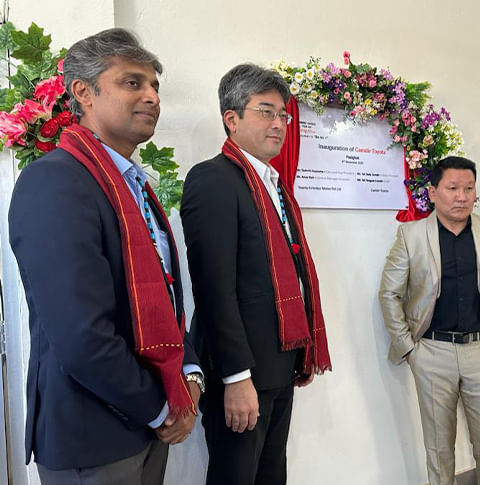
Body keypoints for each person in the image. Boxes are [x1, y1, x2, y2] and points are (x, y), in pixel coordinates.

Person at [8, 28, 203, 485]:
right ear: (83, 92)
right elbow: (81, 335)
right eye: (132, 82)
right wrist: (159, 407)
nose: (152, 96)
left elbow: (166, 299)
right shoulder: (55, 181)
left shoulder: (134, 186)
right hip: (92, 433)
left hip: (151, 422)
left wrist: (190, 377)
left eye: (154, 85)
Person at [180, 63, 331, 485]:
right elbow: (213, 289)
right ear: (231, 118)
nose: (279, 124)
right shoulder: (213, 179)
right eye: (266, 111)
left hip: (279, 360)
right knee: (236, 477)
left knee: (270, 475)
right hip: (241, 369)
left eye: (283, 114)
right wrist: (236, 376)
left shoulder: (272, 183)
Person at [379, 156, 480, 485]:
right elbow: (389, 293)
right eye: (452, 188)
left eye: (468, 188)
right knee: (439, 448)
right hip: (432, 353)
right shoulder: (411, 235)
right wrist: (409, 349)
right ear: (433, 192)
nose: (462, 197)